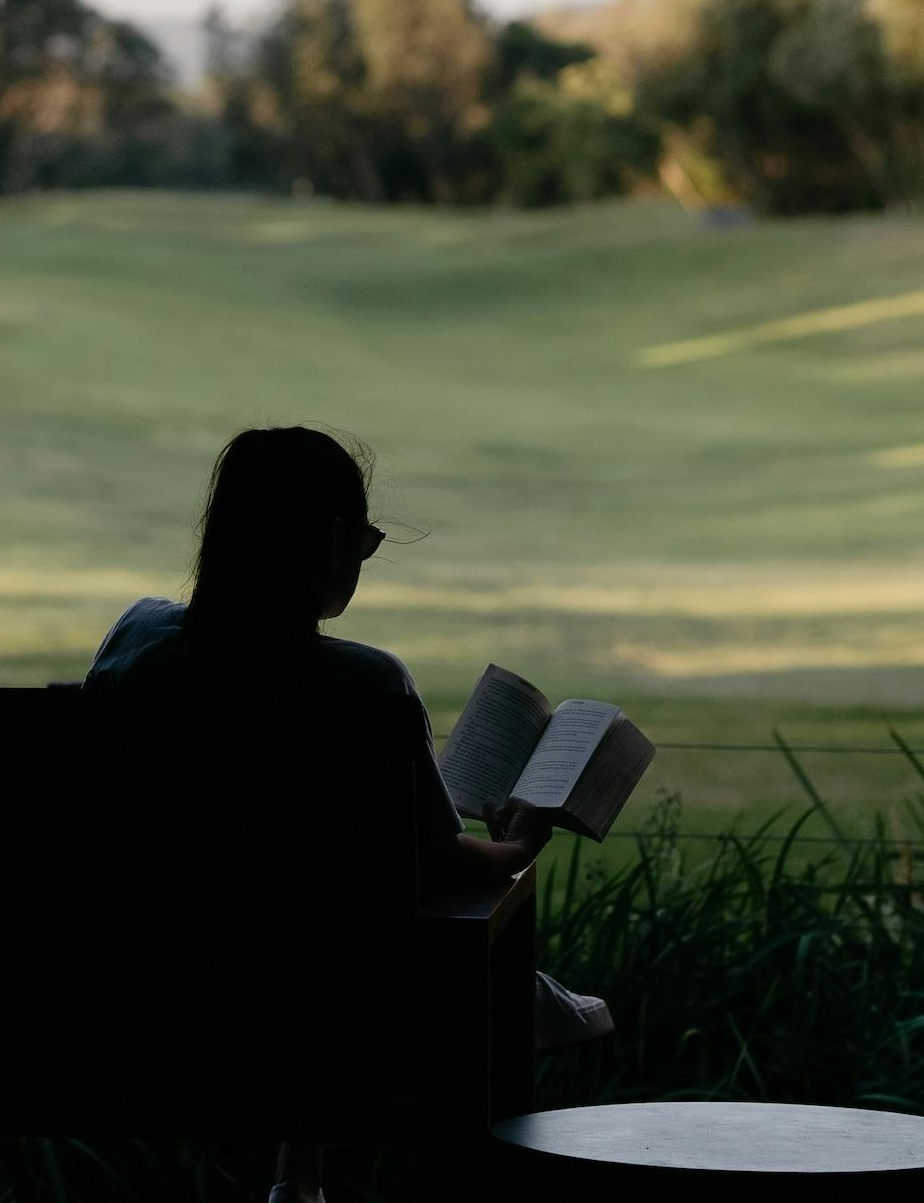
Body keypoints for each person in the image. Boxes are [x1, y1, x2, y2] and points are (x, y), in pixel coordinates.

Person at [84, 425, 613, 1203]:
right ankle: (531, 1008)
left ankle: (297, 1178)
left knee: (284, 904)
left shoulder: (133, 643)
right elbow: (438, 862)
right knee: (332, 938)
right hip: (334, 1031)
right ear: (326, 540)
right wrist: (517, 844)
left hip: (124, 1019)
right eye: (363, 540)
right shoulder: (364, 685)